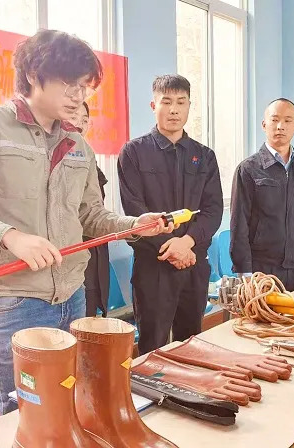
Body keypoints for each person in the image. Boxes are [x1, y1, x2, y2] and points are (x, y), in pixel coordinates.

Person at [0, 30, 174, 414]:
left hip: (73, 293)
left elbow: (90, 216)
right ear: (33, 76)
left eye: (84, 87)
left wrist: (134, 224)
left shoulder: (79, 144)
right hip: (15, 298)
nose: (78, 95)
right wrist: (9, 236)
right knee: (25, 412)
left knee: (68, 404)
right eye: (68, 84)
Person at [118, 74, 223, 355]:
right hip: (153, 267)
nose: (174, 109)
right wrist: (172, 249)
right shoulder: (133, 152)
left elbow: (213, 210)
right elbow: (134, 212)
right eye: (166, 102)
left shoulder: (204, 156)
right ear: (153, 105)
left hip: (193, 263)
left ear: (189, 106)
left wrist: (186, 243)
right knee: (153, 347)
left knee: (192, 343)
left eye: (181, 102)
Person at [229, 98, 294, 291]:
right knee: (265, 312)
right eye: (274, 120)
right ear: (264, 125)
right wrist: (244, 271)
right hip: (262, 268)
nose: (280, 126)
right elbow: (238, 223)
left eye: (287, 120)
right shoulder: (248, 169)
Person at [70, 101, 111, 316]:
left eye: (84, 120)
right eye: (73, 117)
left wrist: (133, 225)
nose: (79, 124)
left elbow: (94, 213)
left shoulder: (88, 160)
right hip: (69, 260)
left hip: (94, 255)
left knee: (92, 320)